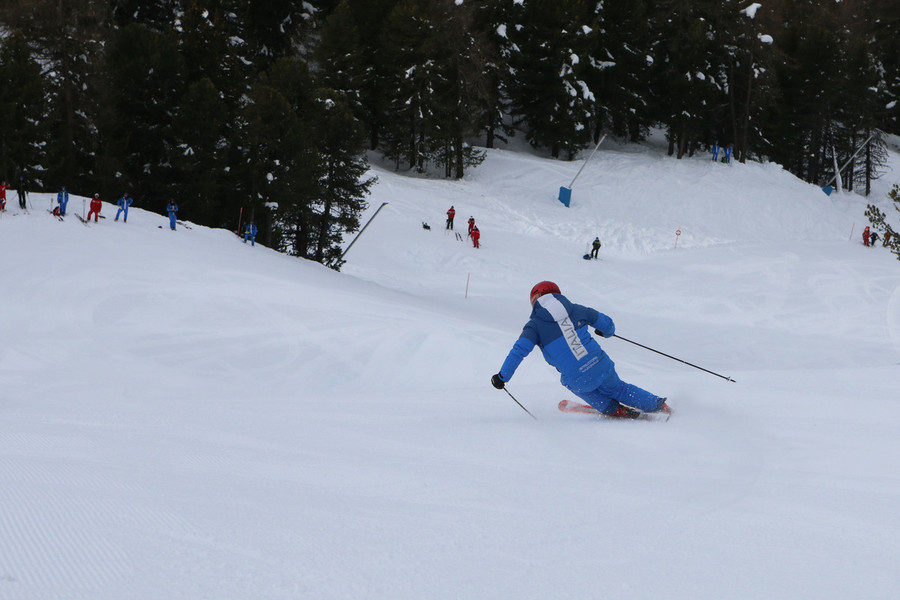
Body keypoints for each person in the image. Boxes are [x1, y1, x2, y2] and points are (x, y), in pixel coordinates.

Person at [491, 281, 669, 419]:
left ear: (534, 301)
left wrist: (502, 377)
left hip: (577, 378)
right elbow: (606, 324)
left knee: (577, 383)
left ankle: (613, 409)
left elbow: (518, 352)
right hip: (601, 364)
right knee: (619, 388)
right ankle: (657, 405)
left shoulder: (534, 326)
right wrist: (606, 332)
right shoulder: (577, 309)